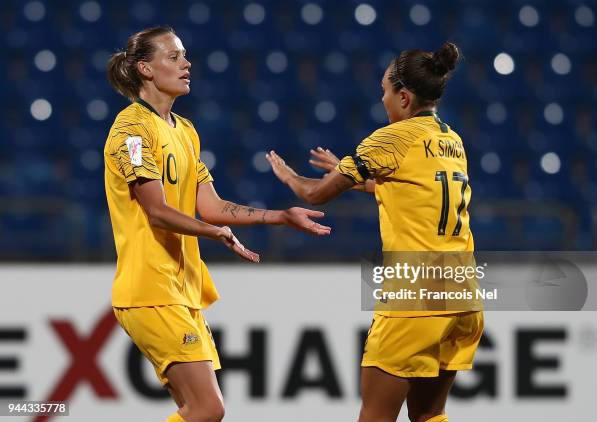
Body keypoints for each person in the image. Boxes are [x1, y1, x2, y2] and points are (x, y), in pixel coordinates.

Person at [103, 26, 331, 422]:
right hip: (150, 288)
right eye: (173, 57)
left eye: (185, 55)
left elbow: (211, 206)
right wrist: (214, 233)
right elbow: (155, 209)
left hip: (181, 290)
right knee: (209, 409)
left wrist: (281, 216)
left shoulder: (186, 132)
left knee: (195, 411)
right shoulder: (131, 131)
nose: (187, 64)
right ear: (145, 69)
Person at [266, 42, 483, 422]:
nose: (382, 98)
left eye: (384, 90)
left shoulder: (390, 138)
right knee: (429, 415)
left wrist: (289, 177)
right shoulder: (451, 139)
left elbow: (316, 194)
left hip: (415, 294)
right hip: (463, 291)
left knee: (376, 415)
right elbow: (406, 187)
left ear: (403, 96)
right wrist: (349, 174)